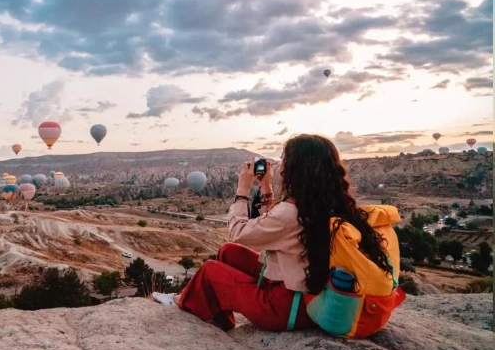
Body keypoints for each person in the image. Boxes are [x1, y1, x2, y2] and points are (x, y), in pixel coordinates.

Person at [152, 134, 400, 334]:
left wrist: (242, 191)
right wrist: (267, 188)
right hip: (305, 298)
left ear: (296, 169)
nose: (280, 165)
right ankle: (217, 317)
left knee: (211, 270)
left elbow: (238, 232)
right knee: (229, 254)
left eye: (284, 160)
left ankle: (181, 302)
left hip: (283, 309)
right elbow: (277, 226)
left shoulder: (292, 212)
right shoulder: (328, 204)